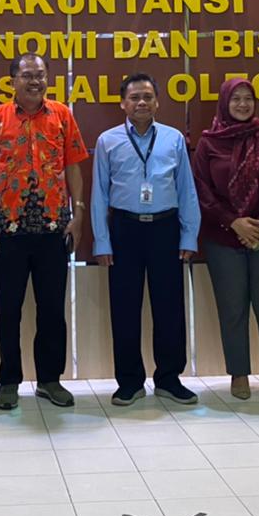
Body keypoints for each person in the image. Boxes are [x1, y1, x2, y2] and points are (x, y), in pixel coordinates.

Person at [0, 53, 88, 410]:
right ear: (13, 81)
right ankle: (9, 381)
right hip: (9, 230)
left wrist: (78, 213)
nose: (34, 81)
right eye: (27, 75)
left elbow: (74, 166)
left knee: (52, 309)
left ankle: (50, 380)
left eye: (40, 75)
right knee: (8, 310)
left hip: (54, 229)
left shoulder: (62, 115)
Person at [91, 73, 201, 406]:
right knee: (124, 308)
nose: (141, 102)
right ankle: (129, 381)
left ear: (157, 102)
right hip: (124, 229)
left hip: (166, 229)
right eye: (135, 97)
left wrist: (189, 235)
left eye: (148, 97)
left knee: (169, 306)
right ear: (122, 103)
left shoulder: (173, 138)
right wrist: (102, 241)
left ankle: (169, 378)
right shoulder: (107, 141)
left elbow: (186, 189)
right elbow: (99, 194)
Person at [193, 77, 259, 402]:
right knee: (232, 306)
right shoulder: (208, 143)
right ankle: (239, 373)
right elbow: (201, 190)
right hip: (223, 237)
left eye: (248, 98)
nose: (242, 104)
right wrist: (234, 222)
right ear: (224, 102)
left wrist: (258, 226)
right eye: (235, 98)